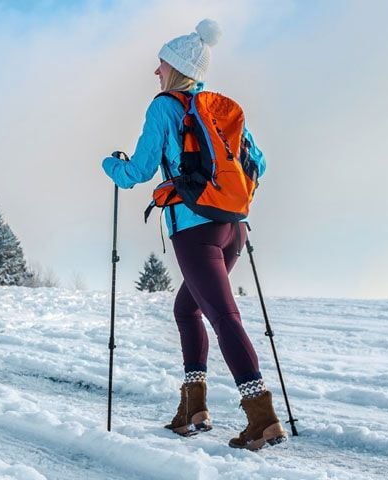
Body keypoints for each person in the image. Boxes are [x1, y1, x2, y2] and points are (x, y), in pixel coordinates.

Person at [101, 19, 286, 450]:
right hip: (232, 228)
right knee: (187, 310)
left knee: (224, 317)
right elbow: (258, 162)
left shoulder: (164, 107)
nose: (156, 71)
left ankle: (262, 418)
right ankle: (193, 408)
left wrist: (110, 165)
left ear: (177, 67)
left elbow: (138, 172)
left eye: (161, 64)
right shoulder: (219, 109)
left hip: (194, 230)